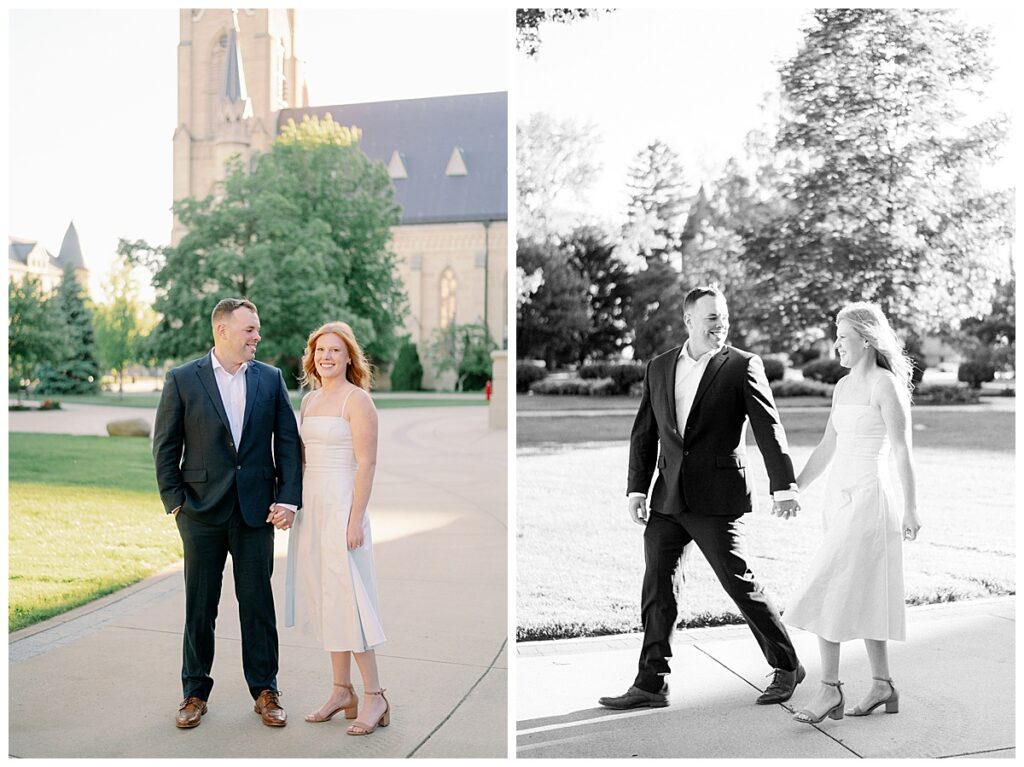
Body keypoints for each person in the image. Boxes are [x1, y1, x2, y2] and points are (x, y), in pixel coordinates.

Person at [600, 286, 805, 711]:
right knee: (658, 587)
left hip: (717, 497)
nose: (720, 325)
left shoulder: (742, 365)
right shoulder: (659, 367)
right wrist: (637, 487)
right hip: (667, 498)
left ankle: (788, 665)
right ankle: (651, 683)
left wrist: (784, 486)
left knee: (739, 584)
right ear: (689, 320)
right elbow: (645, 431)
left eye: (723, 317)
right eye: (712, 317)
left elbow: (768, 428)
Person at [153, 298, 302, 729]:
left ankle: (266, 691)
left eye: (256, 329)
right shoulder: (183, 378)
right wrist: (176, 503)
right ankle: (194, 693)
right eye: (249, 329)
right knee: (200, 607)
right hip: (200, 512)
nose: (257, 336)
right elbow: (165, 445)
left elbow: (287, 443)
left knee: (258, 606)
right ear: (223, 331)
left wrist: (288, 499)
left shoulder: (271, 379)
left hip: (257, 513)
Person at [785, 302, 922, 724]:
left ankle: (829, 689)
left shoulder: (885, 385)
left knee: (827, 585)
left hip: (870, 501)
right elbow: (828, 445)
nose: (837, 344)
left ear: (866, 340)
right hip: (838, 499)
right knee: (865, 589)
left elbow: (902, 451)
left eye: (843, 337)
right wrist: (794, 487)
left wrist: (911, 508)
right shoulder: (843, 387)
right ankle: (883, 684)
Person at [277, 321, 391, 736]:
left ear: (348, 358)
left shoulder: (357, 401)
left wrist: (356, 518)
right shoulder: (309, 401)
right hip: (314, 509)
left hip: (344, 508)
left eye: (335, 350)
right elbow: (301, 462)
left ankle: (375, 695)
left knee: (351, 602)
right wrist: (291, 505)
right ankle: (342, 691)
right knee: (326, 600)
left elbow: (367, 463)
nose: (326, 356)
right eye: (320, 350)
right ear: (313, 357)